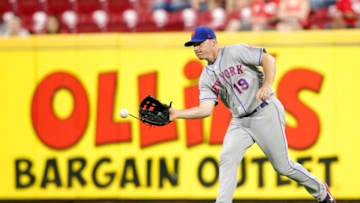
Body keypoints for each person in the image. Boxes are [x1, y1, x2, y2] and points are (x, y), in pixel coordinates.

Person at [169, 26, 336, 203]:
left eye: (199, 43)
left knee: (283, 167)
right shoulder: (206, 78)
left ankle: (322, 192)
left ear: (213, 42)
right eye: (193, 45)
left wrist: (267, 85)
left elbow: (268, 59)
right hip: (240, 122)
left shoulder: (234, 51)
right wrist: (176, 114)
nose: (195, 48)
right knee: (227, 157)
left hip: (265, 112)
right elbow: (206, 109)